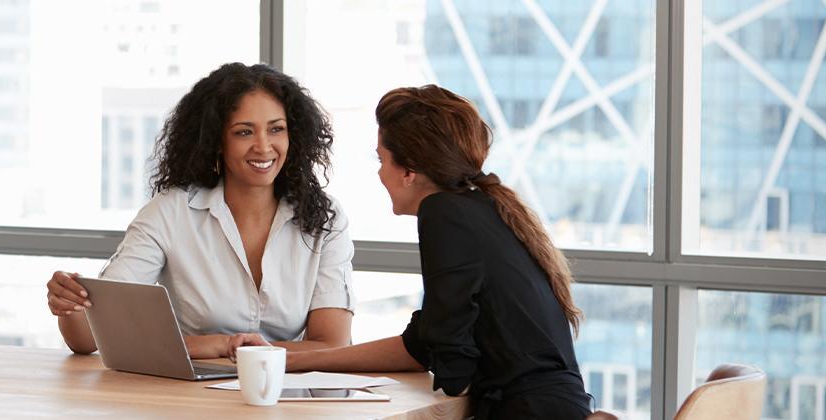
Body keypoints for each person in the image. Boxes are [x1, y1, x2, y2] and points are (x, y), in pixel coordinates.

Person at [241, 85, 591, 419]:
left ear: (409, 171)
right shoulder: (481, 208)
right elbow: (422, 344)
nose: (380, 173)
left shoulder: (443, 212)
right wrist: (289, 359)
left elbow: (452, 364)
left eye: (382, 160)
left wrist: (453, 364)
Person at [45, 62, 356, 360]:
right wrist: (69, 301)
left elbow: (332, 344)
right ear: (217, 140)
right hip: (189, 400)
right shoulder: (171, 212)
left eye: (276, 129)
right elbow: (89, 336)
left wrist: (236, 350)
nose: (263, 146)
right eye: (244, 132)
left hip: (286, 398)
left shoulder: (324, 218)